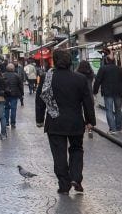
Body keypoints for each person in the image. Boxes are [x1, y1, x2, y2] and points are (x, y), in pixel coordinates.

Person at [36, 49, 95, 194]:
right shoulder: (80, 78)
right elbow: (88, 101)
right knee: (76, 149)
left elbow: (40, 99)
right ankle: (75, 177)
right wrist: (90, 120)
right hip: (75, 122)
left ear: (54, 61)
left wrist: (39, 119)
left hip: (55, 122)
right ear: (70, 62)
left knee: (59, 154)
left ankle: (64, 184)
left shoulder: (47, 78)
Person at [93, 55, 122, 133]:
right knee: (118, 110)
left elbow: (97, 80)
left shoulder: (103, 69)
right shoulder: (120, 69)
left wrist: (95, 91)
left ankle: (112, 129)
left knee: (109, 110)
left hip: (107, 92)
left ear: (106, 61)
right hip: (118, 92)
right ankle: (119, 127)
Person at [2, 63, 23, 128]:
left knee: (6, 108)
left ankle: (6, 122)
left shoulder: (3, 75)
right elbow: (20, 85)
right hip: (14, 94)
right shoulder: (16, 76)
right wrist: (21, 94)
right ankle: (13, 123)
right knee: (13, 109)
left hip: (6, 94)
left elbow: (1, 85)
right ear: (13, 69)